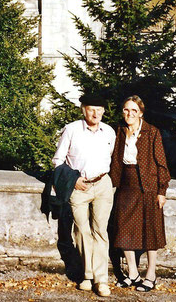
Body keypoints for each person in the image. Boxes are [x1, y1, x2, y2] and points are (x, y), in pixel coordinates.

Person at [52, 94, 116, 297]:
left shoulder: (109, 132)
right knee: (81, 230)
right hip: (79, 186)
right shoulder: (71, 130)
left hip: (103, 184)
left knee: (100, 231)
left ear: (104, 111)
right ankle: (87, 275)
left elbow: (111, 157)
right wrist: (73, 180)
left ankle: (101, 280)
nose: (95, 113)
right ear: (83, 110)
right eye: (91, 109)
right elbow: (58, 160)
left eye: (99, 109)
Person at [109, 95, 171, 292]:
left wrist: (161, 191)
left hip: (148, 186)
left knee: (150, 231)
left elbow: (161, 164)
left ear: (141, 113)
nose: (129, 114)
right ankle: (133, 274)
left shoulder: (152, 132)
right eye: (126, 110)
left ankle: (151, 274)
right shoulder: (119, 131)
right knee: (124, 229)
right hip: (126, 185)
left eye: (134, 111)